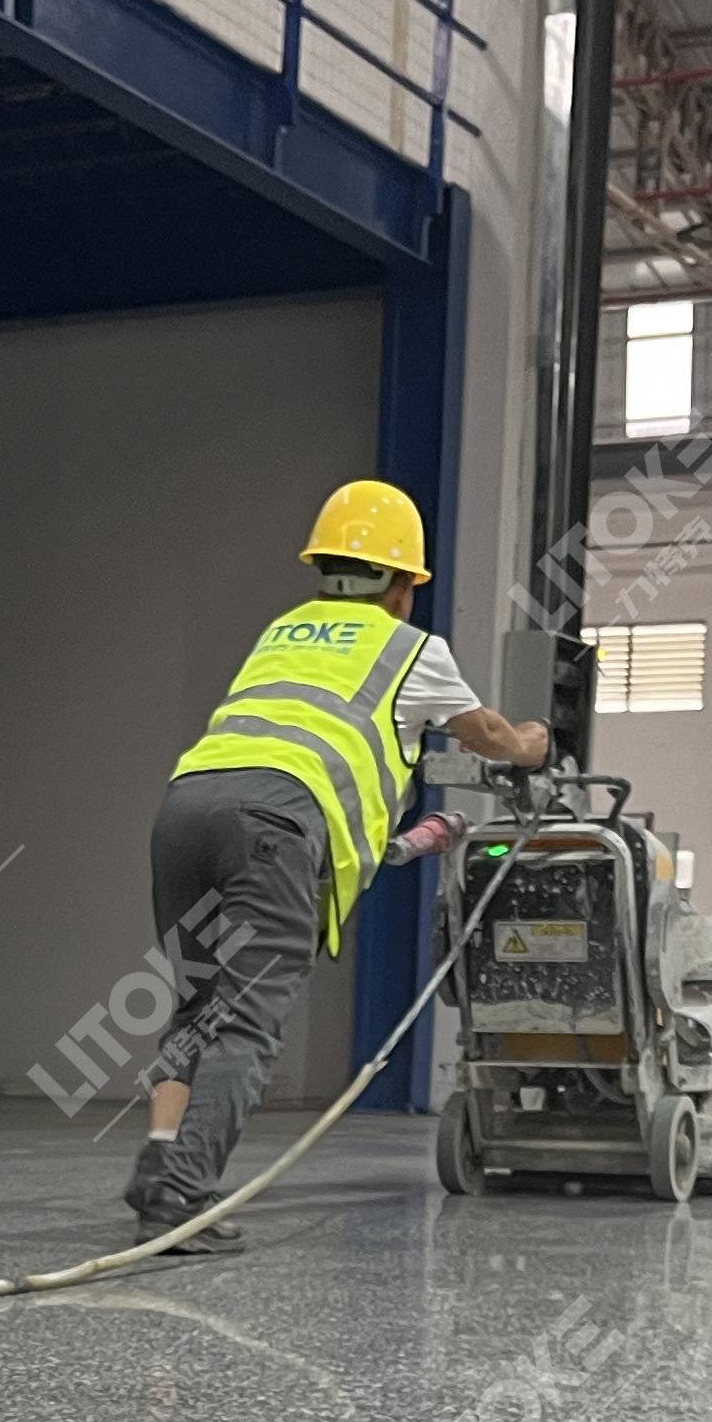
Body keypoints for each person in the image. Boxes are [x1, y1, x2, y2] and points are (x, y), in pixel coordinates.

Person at [130, 480, 555, 1250]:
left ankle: (159, 1164)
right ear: (402, 585)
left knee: (198, 1005)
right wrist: (532, 743)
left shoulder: (283, 631)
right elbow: (486, 735)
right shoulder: (413, 649)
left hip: (184, 809)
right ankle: (181, 1197)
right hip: (272, 825)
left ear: (325, 568)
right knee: (248, 1020)